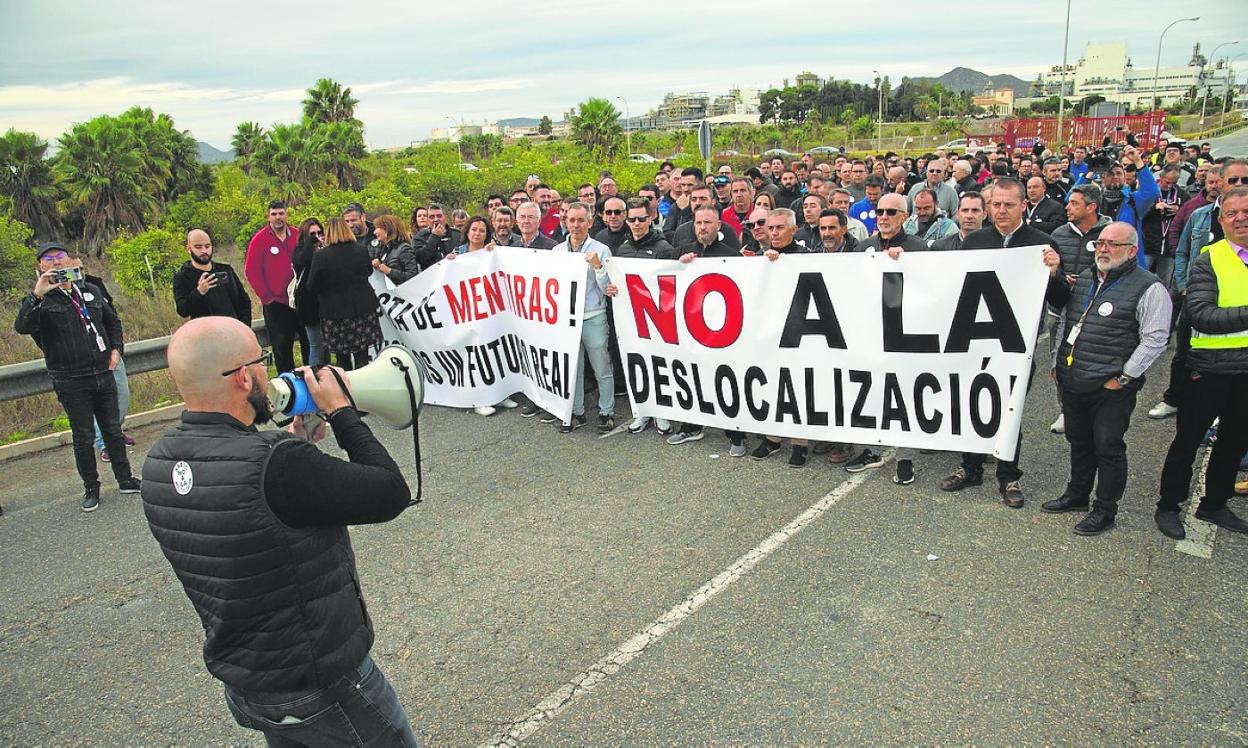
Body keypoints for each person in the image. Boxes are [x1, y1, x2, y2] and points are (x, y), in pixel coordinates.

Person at [141, 316, 417, 747]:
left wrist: (297, 446)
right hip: (321, 684)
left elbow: (254, 516)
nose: (266, 372)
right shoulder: (278, 463)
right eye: (262, 361)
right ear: (243, 377)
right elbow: (389, 493)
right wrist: (342, 411)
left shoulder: (159, 463)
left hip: (253, 684)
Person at [1039, 223, 1171, 535]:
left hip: (1110, 386)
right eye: (1100, 243)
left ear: (1132, 251)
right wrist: (1058, 361)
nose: (1103, 249)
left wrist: (1124, 377)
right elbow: (1067, 320)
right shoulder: (1085, 278)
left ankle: (1105, 510)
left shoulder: (1149, 287)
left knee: (1108, 447)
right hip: (1074, 378)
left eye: (1113, 244)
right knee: (1079, 441)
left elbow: (1155, 339)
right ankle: (1077, 494)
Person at [940, 178, 1058, 508]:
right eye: (996, 204)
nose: (1001, 210)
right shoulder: (976, 240)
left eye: (1009, 204)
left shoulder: (1041, 243)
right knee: (971, 403)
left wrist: (1054, 274)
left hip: (1015, 345)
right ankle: (971, 468)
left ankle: (1008, 476)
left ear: (1024, 205)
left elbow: (1061, 298)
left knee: (1009, 409)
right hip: (975, 340)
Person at [14, 241, 142, 512]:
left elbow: (113, 322)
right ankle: (91, 488)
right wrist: (37, 294)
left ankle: (125, 479)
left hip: (102, 373)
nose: (56, 262)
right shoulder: (41, 301)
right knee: (83, 436)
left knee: (112, 430)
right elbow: (22, 326)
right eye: (49, 259)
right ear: (40, 266)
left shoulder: (90, 291)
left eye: (60, 256)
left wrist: (116, 350)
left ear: (70, 260)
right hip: (71, 379)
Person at [1155, 186, 1248, 540]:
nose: (1240, 219)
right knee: (1187, 442)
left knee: (1234, 442)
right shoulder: (1210, 259)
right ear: (1221, 220)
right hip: (1208, 369)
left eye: (1246, 212)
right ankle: (1169, 505)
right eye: (1232, 213)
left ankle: (1214, 503)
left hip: (1245, 373)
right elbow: (1203, 316)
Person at [554, 202, 615, 434]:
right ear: (566, 222)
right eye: (572, 220)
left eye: (581, 220)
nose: (576, 225)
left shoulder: (601, 250)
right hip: (567, 319)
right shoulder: (557, 252)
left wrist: (598, 266)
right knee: (574, 369)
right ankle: (577, 411)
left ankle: (606, 411)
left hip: (593, 316)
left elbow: (607, 289)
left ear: (590, 222)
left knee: (601, 367)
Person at [306, 218, 382, 371]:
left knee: (342, 358)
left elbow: (311, 286)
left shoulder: (321, 256)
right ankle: (362, 384)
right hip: (361, 309)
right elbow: (368, 272)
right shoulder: (361, 250)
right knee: (362, 355)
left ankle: (345, 384)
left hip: (334, 314)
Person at [245, 200, 305, 373]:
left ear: (286, 214)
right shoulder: (260, 240)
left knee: (309, 343)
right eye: (274, 214)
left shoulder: (297, 235)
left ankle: (311, 381)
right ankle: (287, 383)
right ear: (268, 216)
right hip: (276, 304)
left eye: (281, 213)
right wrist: (267, 297)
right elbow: (251, 270)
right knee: (282, 350)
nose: (278, 217)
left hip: (300, 301)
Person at [173, 229, 251, 324]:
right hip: (205, 330)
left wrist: (244, 326)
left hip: (233, 328)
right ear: (188, 249)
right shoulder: (181, 277)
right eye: (198, 247)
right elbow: (182, 310)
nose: (204, 251)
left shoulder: (226, 269)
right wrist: (199, 292)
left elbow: (244, 300)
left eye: (207, 246)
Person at [290, 218, 325, 366]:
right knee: (316, 345)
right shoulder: (299, 250)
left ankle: (327, 374)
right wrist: (311, 243)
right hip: (309, 304)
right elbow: (303, 260)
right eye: (312, 234)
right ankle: (315, 375)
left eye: (319, 233)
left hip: (326, 302)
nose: (317, 237)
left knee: (326, 347)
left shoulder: (326, 248)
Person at [369, 214, 419, 284]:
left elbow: (413, 275)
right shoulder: (383, 249)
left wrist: (390, 271)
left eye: (377, 228)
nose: (375, 232)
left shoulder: (404, 249)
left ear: (387, 229)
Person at [411, 203, 461, 269]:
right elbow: (420, 259)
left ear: (445, 217)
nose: (436, 219)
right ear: (428, 220)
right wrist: (434, 237)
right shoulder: (419, 237)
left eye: (439, 216)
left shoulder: (457, 234)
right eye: (432, 217)